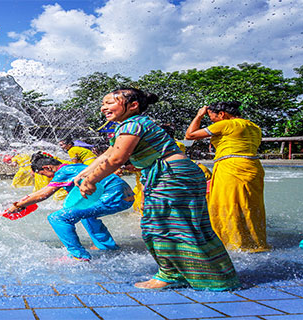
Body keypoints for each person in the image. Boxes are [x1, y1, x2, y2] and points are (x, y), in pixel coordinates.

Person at [76, 88, 239, 291]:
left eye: (110, 103)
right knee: (186, 227)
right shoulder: (132, 125)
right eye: (103, 103)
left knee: (158, 226)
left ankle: (171, 274)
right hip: (178, 174)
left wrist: (91, 180)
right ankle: (211, 275)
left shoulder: (133, 124)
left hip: (171, 176)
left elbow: (117, 159)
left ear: (133, 105)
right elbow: (110, 153)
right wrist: (83, 174)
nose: (104, 107)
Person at [5, 152, 134, 261]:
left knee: (57, 218)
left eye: (43, 174)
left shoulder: (63, 173)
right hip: (125, 196)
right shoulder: (75, 167)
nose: (46, 177)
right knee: (86, 215)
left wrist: (18, 205)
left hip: (113, 197)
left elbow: (43, 195)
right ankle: (106, 246)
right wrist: (23, 201)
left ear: (48, 167)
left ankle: (78, 256)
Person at [184, 101, 270, 253]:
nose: (211, 121)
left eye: (211, 117)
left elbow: (190, 135)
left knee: (228, 205)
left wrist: (198, 115)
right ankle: (256, 242)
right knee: (249, 206)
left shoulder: (226, 124)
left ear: (222, 114)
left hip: (231, 168)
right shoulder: (253, 126)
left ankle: (232, 244)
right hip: (253, 168)